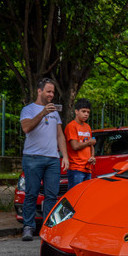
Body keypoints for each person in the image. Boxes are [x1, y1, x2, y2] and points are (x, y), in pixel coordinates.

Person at [20, 78, 69, 241]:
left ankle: (48, 229)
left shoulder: (55, 112)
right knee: (31, 193)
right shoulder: (28, 110)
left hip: (53, 159)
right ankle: (28, 227)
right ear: (39, 91)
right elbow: (26, 128)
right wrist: (42, 113)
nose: (51, 95)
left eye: (53, 92)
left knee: (51, 195)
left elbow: (60, 135)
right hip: (32, 157)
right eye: (48, 91)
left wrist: (65, 156)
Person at [64, 98, 96, 189]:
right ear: (76, 111)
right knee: (75, 195)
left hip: (87, 167)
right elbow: (75, 146)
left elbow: (91, 145)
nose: (86, 114)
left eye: (88, 112)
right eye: (83, 111)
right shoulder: (71, 126)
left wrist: (92, 156)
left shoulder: (87, 127)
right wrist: (89, 142)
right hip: (76, 168)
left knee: (84, 196)